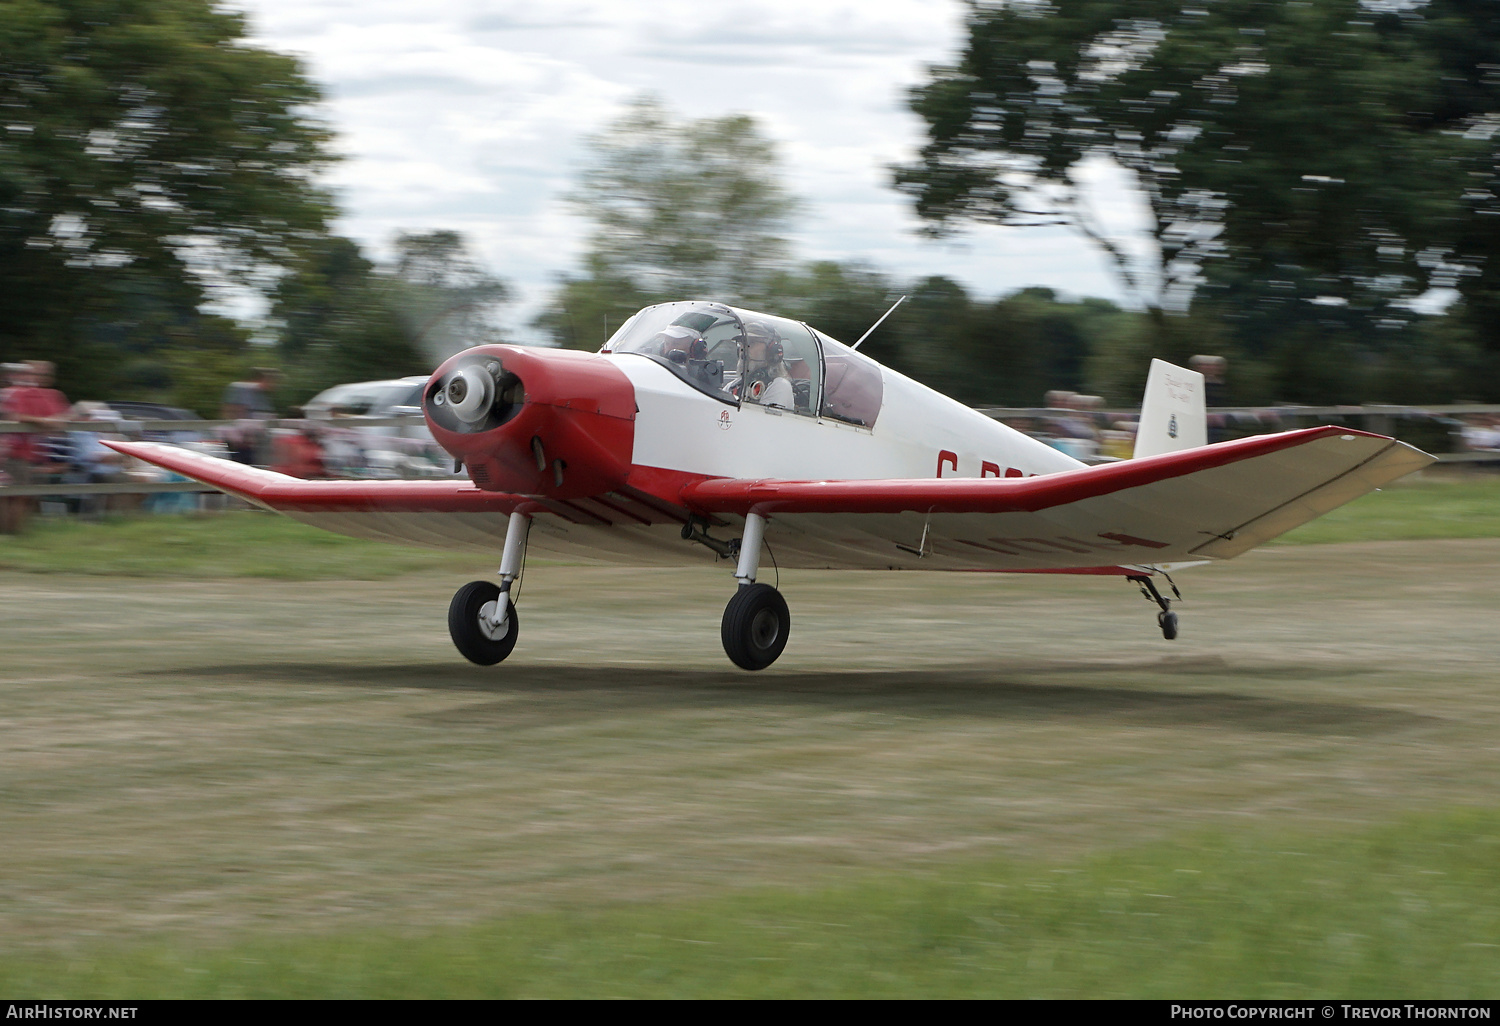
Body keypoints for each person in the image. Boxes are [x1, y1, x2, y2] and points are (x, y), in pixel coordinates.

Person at [1, 361, 71, 532]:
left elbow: (61, 417)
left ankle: (11, 532)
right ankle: (9, 533)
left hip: (27, 453)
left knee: (19, 494)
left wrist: (50, 421)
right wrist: (44, 421)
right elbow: (17, 416)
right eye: (36, 374)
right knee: (16, 494)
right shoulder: (17, 392)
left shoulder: (42, 395)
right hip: (12, 452)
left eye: (44, 375)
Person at [220, 367, 279, 465]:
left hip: (257, 439)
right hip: (242, 439)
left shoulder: (262, 394)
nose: (274, 385)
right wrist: (240, 434)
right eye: (271, 380)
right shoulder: (240, 389)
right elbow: (231, 410)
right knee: (241, 465)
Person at [739, 321, 795, 409]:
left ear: (771, 350)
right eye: (742, 342)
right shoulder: (734, 385)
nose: (743, 348)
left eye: (751, 343)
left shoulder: (780, 386)